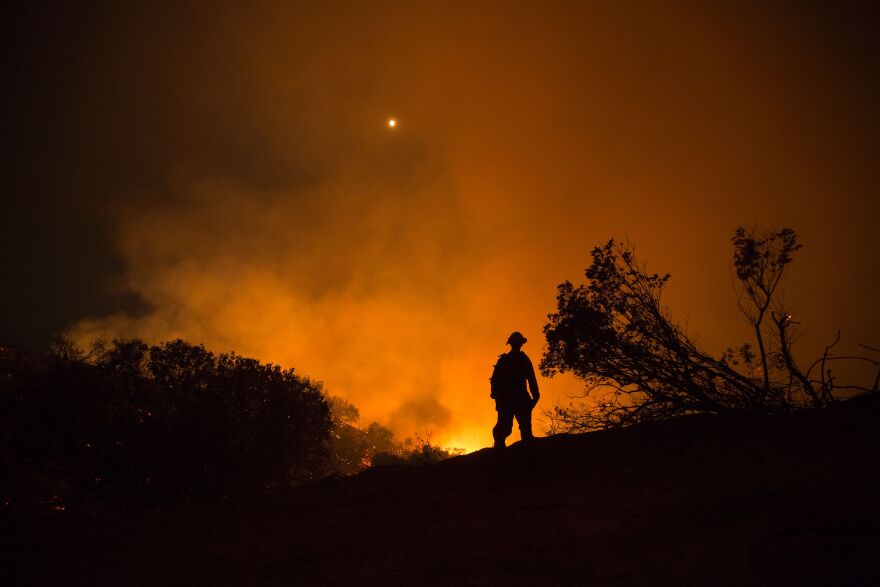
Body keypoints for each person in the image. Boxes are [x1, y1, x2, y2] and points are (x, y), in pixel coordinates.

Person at [490, 331, 540, 450]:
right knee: (514, 427)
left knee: (511, 427)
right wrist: (535, 396)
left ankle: (500, 450)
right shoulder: (522, 359)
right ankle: (500, 449)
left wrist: (497, 397)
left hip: (510, 399)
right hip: (516, 398)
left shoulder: (504, 360)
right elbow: (531, 379)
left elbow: (494, 381)